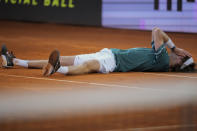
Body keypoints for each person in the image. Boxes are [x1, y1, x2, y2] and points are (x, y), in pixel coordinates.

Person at [1, 28, 195, 76]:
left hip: (113, 63)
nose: (179, 53)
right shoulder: (159, 58)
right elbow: (156, 33)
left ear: (180, 59)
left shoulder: (162, 57)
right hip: (108, 53)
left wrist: (175, 47)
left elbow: (156, 30)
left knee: (87, 66)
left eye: (181, 55)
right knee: (69, 59)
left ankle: (58, 69)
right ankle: (16, 62)